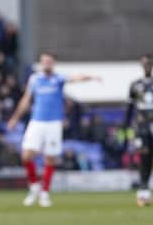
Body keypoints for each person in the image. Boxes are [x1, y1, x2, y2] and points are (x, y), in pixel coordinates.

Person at [7, 52, 99, 207]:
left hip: (54, 123)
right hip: (36, 121)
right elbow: (26, 100)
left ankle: (45, 193)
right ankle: (34, 186)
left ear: (54, 63)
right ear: (41, 63)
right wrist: (15, 118)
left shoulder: (59, 79)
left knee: (50, 158)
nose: (47, 64)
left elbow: (76, 77)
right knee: (26, 155)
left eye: (49, 61)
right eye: (44, 61)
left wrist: (92, 77)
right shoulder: (35, 79)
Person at [124, 54, 153, 207]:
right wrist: (126, 128)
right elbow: (129, 109)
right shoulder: (135, 85)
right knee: (144, 158)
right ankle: (143, 192)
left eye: (149, 63)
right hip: (142, 127)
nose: (147, 66)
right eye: (144, 64)